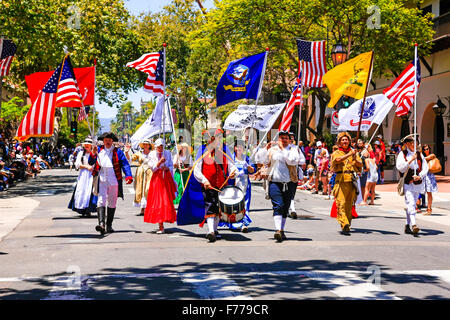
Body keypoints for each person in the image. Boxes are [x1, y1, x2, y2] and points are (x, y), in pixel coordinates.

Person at [179, 128, 236, 242]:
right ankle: (210, 231)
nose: (220, 140)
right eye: (218, 137)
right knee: (210, 206)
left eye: (220, 137)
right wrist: (204, 180)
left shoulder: (224, 150)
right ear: (211, 139)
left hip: (222, 185)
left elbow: (231, 165)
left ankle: (214, 230)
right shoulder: (202, 150)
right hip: (208, 185)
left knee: (219, 209)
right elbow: (197, 169)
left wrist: (234, 171)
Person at [91, 132, 133, 235]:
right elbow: (90, 161)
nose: (108, 142)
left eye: (109, 140)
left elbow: (125, 164)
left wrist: (128, 176)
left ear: (112, 141)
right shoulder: (98, 150)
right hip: (102, 179)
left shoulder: (118, 151)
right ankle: (101, 224)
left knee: (112, 202)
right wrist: (93, 153)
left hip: (114, 179)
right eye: (106, 140)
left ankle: (109, 225)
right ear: (103, 141)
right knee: (101, 201)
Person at [265, 130, 300, 242]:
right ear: (278, 139)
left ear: (289, 140)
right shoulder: (272, 150)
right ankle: (278, 230)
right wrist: (265, 149)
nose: (283, 140)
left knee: (285, 207)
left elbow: (292, 161)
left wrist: (283, 150)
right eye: (281, 138)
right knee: (278, 205)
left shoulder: (293, 150)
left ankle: (281, 229)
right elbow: (261, 160)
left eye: (286, 138)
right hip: (274, 182)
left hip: (289, 183)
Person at [330, 132, 363, 235]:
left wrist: (354, 158)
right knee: (341, 203)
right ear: (339, 142)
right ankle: (343, 222)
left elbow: (360, 164)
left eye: (346, 140)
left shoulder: (354, 152)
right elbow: (337, 160)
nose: (345, 141)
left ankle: (347, 223)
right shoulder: (337, 152)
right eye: (342, 140)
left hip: (351, 180)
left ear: (349, 141)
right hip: (341, 180)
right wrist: (349, 154)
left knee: (349, 204)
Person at [396, 134, 428, 235]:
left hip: (417, 183)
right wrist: (410, 160)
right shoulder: (403, 154)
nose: (414, 145)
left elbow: (425, 168)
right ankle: (414, 224)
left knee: (412, 203)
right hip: (407, 183)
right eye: (412, 143)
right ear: (407, 144)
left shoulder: (419, 154)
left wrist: (420, 176)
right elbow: (400, 167)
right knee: (411, 203)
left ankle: (407, 225)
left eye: (415, 143)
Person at [219, 140, 254, 232]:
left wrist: (248, 167)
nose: (239, 149)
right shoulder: (231, 158)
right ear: (234, 148)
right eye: (237, 147)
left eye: (241, 147)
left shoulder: (247, 158)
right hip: (233, 184)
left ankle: (243, 223)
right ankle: (233, 223)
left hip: (245, 185)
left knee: (244, 204)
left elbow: (252, 170)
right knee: (233, 204)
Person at [144, 138, 178, 234]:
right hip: (157, 179)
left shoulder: (167, 153)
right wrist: (159, 163)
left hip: (166, 179)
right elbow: (153, 168)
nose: (160, 148)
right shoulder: (151, 154)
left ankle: (165, 219)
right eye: (158, 147)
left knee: (165, 201)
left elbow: (171, 166)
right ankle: (160, 225)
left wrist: (167, 167)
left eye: (162, 146)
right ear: (155, 146)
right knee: (157, 201)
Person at [68, 138, 97, 217]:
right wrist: (86, 167)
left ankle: (89, 209)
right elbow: (77, 164)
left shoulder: (95, 153)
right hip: (83, 174)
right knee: (82, 191)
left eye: (88, 145)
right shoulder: (81, 153)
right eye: (85, 145)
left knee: (91, 191)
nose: (87, 146)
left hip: (93, 174)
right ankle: (81, 209)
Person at [132, 139, 154, 216]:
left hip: (150, 172)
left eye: (146, 144)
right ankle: (142, 208)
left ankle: (149, 207)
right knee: (140, 189)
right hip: (141, 172)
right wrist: (127, 152)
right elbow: (131, 159)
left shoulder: (152, 153)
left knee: (148, 188)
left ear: (149, 145)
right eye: (144, 144)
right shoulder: (139, 153)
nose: (145, 145)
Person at [421, 144, 438, 215]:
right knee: (420, 191)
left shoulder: (432, 155)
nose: (426, 150)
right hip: (423, 176)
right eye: (424, 149)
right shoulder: (422, 156)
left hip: (429, 176)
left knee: (429, 192)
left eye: (427, 149)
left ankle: (429, 209)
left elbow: (426, 158)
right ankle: (417, 207)